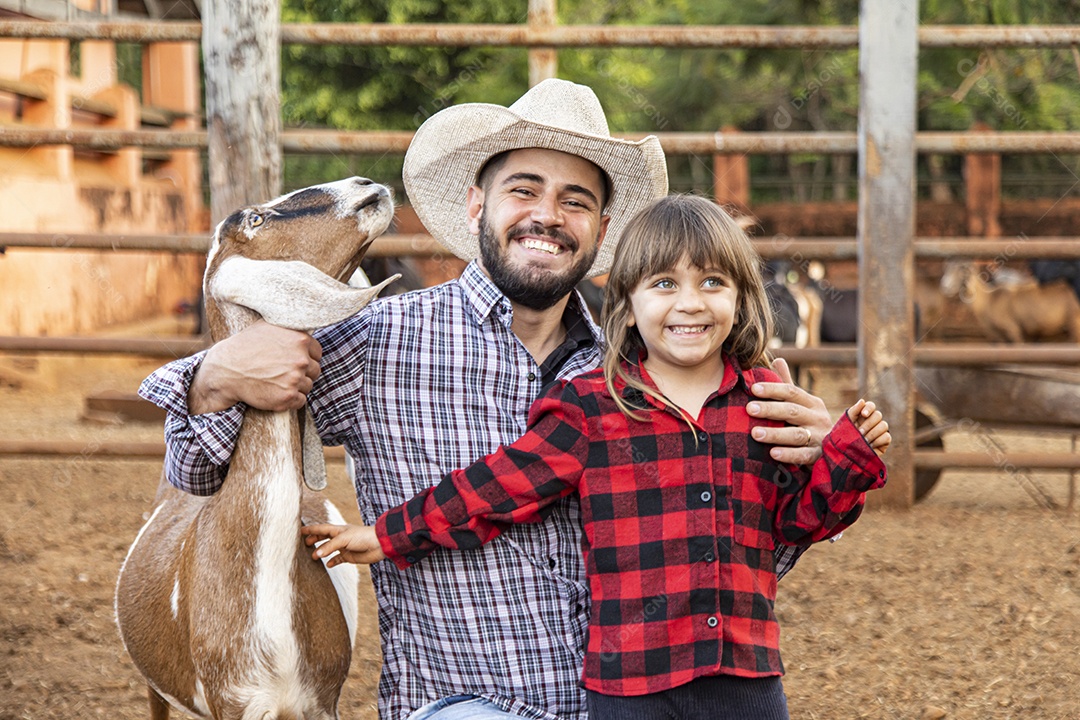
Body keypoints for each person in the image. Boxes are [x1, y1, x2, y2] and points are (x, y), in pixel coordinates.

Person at [139, 80, 837, 720]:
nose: (547, 217)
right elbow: (197, 476)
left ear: (600, 231)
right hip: (465, 703)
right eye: (523, 190)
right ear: (478, 205)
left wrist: (804, 462)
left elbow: (738, 562)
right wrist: (214, 378)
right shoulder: (379, 343)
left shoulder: (647, 374)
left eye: (576, 201)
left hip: (626, 700)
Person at [301, 195, 890, 720]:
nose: (690, 303)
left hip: (746, 680)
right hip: (631, 687)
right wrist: (386, 536)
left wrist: (846, 460)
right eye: (664, 284)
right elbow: (497, 488)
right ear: (627, 305)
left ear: (741, 299)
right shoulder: (592, 407)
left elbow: (796, 524)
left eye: (713, 282)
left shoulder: (760, 405)